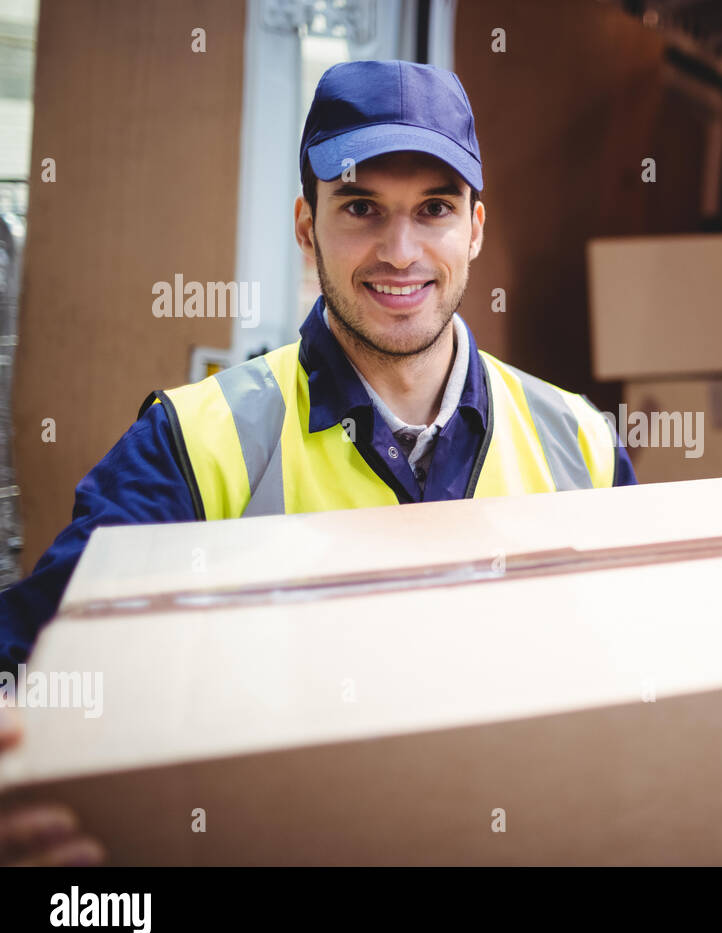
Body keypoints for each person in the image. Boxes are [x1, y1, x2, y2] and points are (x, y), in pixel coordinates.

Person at [0, 60, 636, 669]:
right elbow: (33, 657)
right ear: (307, 227)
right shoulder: (191, 445)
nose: (400, 252)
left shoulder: (579, 443)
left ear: (473, 229)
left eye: (434, 209)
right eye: (361, 208)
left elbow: (637, 647)